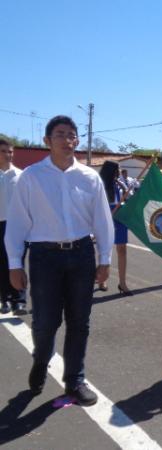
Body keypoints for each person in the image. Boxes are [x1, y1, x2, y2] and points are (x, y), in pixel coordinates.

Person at [6, 116, 113, 405]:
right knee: (45, 322)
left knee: (80, 321)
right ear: (47, 141)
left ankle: (74, 380)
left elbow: (102, 221)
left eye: (72, 135)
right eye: (60, 134)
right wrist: (14, 263)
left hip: (80, 254)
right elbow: (17, 222)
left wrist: (104, 259)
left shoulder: (89, 177)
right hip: (44, 257)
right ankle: (41, 361)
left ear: (77, 141)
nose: (67, 140)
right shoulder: (31, 177)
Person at [0, 139, 27, 315]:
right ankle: (5, 299)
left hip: (18, 226)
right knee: (2, 263)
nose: (8, 154)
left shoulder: (21, 175)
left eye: (10, 151)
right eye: (3, 151)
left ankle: (19, 300)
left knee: (18, 262)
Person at [99, 161, 132, 295]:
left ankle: (122, 283)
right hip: (107, 217)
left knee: (122, 250)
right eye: (117, 170)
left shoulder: (120, 183)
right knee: (105, 250)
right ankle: (102, 279)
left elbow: (128, 197)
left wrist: (128, 192)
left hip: (120, 217)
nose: (119, 172)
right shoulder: (100, 184)